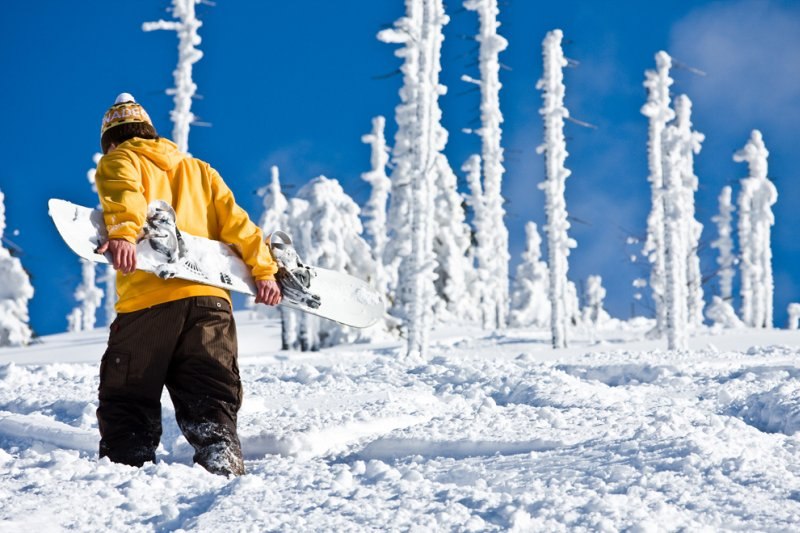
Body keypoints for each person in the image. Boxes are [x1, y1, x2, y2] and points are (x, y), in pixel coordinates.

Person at [93, 93, 282, 476]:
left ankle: (123, 479)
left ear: (112, 141)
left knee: (128, 396)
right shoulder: (201, 171)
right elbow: (239, 226)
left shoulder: (120, 158)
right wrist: (263, 270)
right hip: (210, 304)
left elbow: (124, 193)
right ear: (150, 133)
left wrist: (124, 233)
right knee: (211, 394)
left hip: (149, 304)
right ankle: (222, 464)